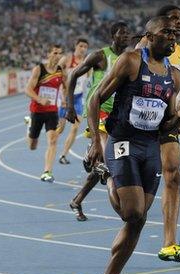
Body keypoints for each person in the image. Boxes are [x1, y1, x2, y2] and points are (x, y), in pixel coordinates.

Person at [87, 16, 180, 274]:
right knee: (131, 213)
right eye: (166, 33)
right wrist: (96, 140)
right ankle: (107, 174)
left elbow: (165, 126)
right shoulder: (131, 61)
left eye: (174, 34)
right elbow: (96, 98)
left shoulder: (175, 75)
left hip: (150, 147)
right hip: (122, 142)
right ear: (150, 36)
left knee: (138, 218)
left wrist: (179, 116)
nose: (172, 37)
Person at [136, 5, 180, 263]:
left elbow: (169, 85)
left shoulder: (177, 50)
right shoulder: (142, 48)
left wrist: (176, 115)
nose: (179, 24)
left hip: (164, 120)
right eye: (173, 19)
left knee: (173, 174)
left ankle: (169, 243)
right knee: (133, 197)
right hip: (138, 124)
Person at [65, 22, 130, 221]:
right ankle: (92, 154)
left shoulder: (130, 59)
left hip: (118, 116)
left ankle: (77, 199)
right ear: (113, 36)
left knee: (101, 166)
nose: (126, 36)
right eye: (122, 33)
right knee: (109, 162)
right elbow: (73, 75)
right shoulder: (101, 56)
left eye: (128, 33)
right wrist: (70, 105)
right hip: (99, 112)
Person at [25, 44, 66, 182]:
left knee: (53, 140)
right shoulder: (39, 69)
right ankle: (29, 125)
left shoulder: (61, 71)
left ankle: (47, 171)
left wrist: (64, 104)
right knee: (32, 146)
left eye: (60, 53)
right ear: (48, 54)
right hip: (37, 110)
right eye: (55, 53)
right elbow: (28, 90)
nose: (57, 56)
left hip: (52, 111)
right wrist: (40, 99)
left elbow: (64, 88)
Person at [56, 38, 89, 165]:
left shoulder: (87, 62)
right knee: (60, 129)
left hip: (78, 98)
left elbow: (89, 81)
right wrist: (62, 97)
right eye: (81, 46)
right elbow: (56, 75)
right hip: (65, 98)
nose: (83, 49)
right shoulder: (67, 59)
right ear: (75, 46)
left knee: (75, 128)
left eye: (85, 47)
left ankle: (63, 155)